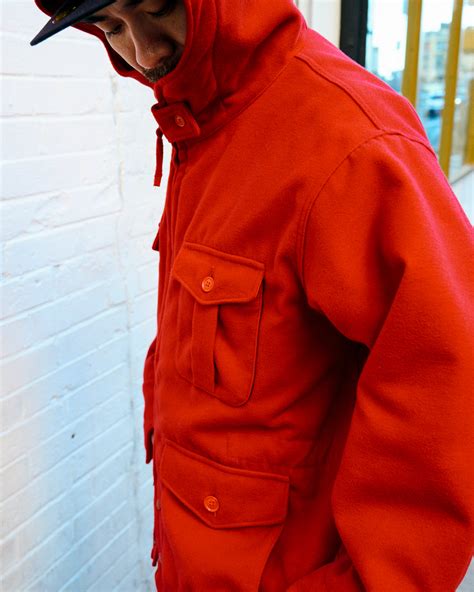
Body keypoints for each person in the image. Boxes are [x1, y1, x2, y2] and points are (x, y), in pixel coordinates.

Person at [31, 1, 473, 590]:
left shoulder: (346, 138)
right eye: (111, 27)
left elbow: (449, 389)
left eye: (157, 7)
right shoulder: (205, 124)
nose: (145, 51)